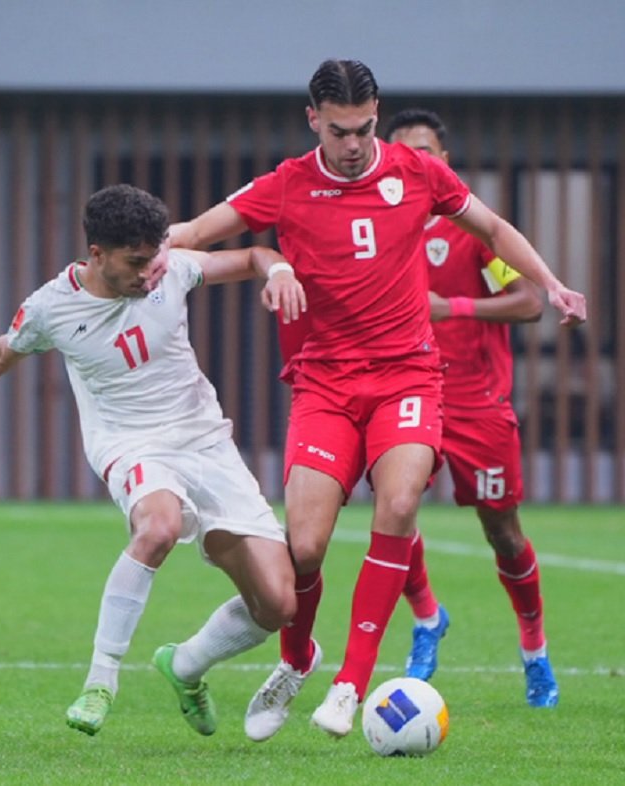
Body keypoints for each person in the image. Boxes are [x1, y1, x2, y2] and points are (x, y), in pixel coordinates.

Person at [164, 59, 586, 740]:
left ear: (376, 114)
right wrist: (117, 267)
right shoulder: (288, 183)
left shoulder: (418, 172)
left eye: (363, 128)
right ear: (314, 121)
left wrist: (554, 283)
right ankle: (297, 661)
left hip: (407, 376)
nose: (354, 144)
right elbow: (194, 232)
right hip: (325, 383)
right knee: (303, 547)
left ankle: (352, 683)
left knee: (397, 504)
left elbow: (495, 229)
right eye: (339, 131)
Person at [0, 184, 307, 738]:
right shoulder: (52, 307)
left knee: (277, 606)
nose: (149, 274)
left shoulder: (170, 268)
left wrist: (280, 272)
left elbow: (249, 256)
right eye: (136, 263)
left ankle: (186, 664)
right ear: (96, 254)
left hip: (206, 441)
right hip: (131, 444)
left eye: (155, 258)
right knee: (158, 527)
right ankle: (101, 681)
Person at [383, 108, 558, 708]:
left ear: (445, 161)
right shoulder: (379, 227)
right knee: (393, 511)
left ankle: (534, 650)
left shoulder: (475, 230)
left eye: (426, 152)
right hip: (409, 395)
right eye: (405, 154)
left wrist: (451, 307)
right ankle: (427, 618)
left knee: (503, 533)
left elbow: (530, 303)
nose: (417, 164)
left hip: (478, 405)